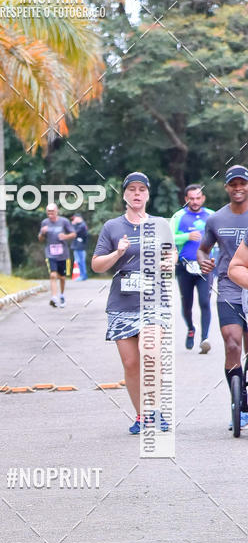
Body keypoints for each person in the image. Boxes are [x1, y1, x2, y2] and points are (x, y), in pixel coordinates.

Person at [92, 171, 174, 434]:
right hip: (122, 303)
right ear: (124, 195)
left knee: (149, 353)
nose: (137, 194)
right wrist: (117, 252)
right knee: (130, 363)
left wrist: (168, 262)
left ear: (148, 194)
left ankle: (156, 410)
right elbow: (96, 265)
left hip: (154, 300)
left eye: (142, 190)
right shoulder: (112, 227)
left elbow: (171, 253)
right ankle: (142, 415)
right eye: (132, 190)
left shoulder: (161, 224)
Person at [197, 165, 248, 429]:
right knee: (231, 345)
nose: (238, 188)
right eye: (233, 184)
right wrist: (204, 261)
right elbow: (203, 249)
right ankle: (240, 404)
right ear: (226, 187)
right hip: (228, 289)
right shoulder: (216, 219)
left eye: (243, 183)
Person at [170, 184, 214, 353]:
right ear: (186, 199)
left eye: (198, 198)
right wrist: (186, 236)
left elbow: (221, 236)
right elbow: (169, 238)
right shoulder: (179, 216)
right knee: (187, 305)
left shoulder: (211, 216)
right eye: (191, 199)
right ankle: (190, 328)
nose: (195, 202)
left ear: (203, 198)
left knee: (204, 301)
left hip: (205, 267)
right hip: (184, 267)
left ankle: (205, 338)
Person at [38, 203, 76, 307]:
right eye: (48, 212)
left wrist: (65, 236)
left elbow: (73, 234)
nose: (50, 214)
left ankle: (62, 295)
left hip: (63, 254)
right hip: (50, 253)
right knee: (53, 275)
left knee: (62, 278)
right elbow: (40, 239)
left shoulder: (64, 221)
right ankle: (54, 297)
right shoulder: (45, 223)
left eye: (52, 212)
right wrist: (42, 232)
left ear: (56, 211)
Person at [71, 213, 89, 280]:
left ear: (78, 218)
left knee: (80, 261)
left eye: (75, 218)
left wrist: (73, 224)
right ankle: (83, 275)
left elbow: (74, 233)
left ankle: (83, 275)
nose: (74, 220)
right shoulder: (81, 225)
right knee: (79, 261)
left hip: (80, 246)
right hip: (78, 246)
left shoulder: (82, 225)